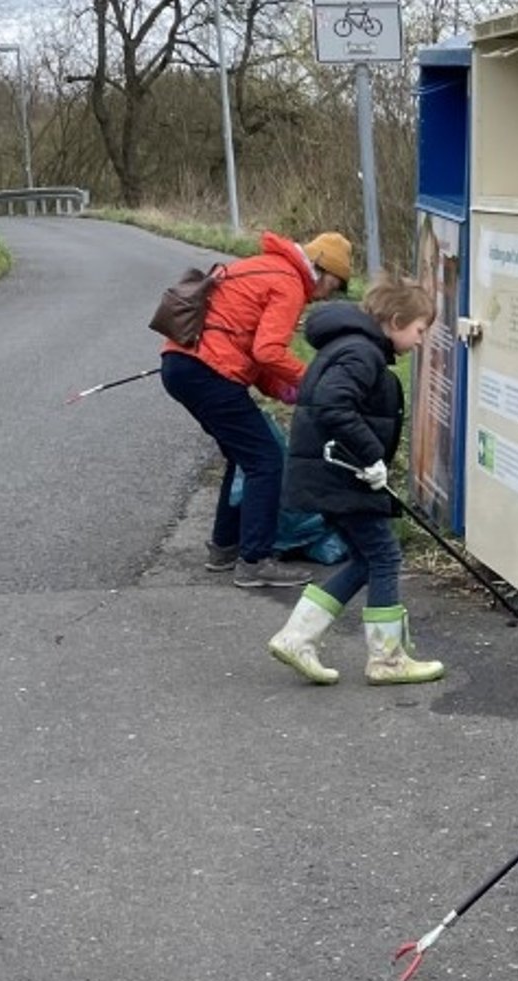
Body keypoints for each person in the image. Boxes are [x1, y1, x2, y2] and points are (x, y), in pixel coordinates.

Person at [267, 274, 445, 687]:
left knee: (367, 559)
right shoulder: (361, 354)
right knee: (384, 556)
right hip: (342, 476)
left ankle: (297, 637)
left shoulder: (349, 347)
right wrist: (370, 457)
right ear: (397, 320)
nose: (420, 341)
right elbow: (334, 404)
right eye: (419, 330)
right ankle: (387, 659)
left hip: (328, 476)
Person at [159, 229, 353, 589]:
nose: (327, 295)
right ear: (323, 270)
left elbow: (251, 350)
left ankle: (225, 547)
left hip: (182, 364)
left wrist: (288, 389)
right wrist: (314, 380)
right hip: (207, 372)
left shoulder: (264, 267)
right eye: (334, 286)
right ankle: (255, 560)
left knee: (242, 455)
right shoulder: (290, 283)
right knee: (266, 460)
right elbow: (268, 352)